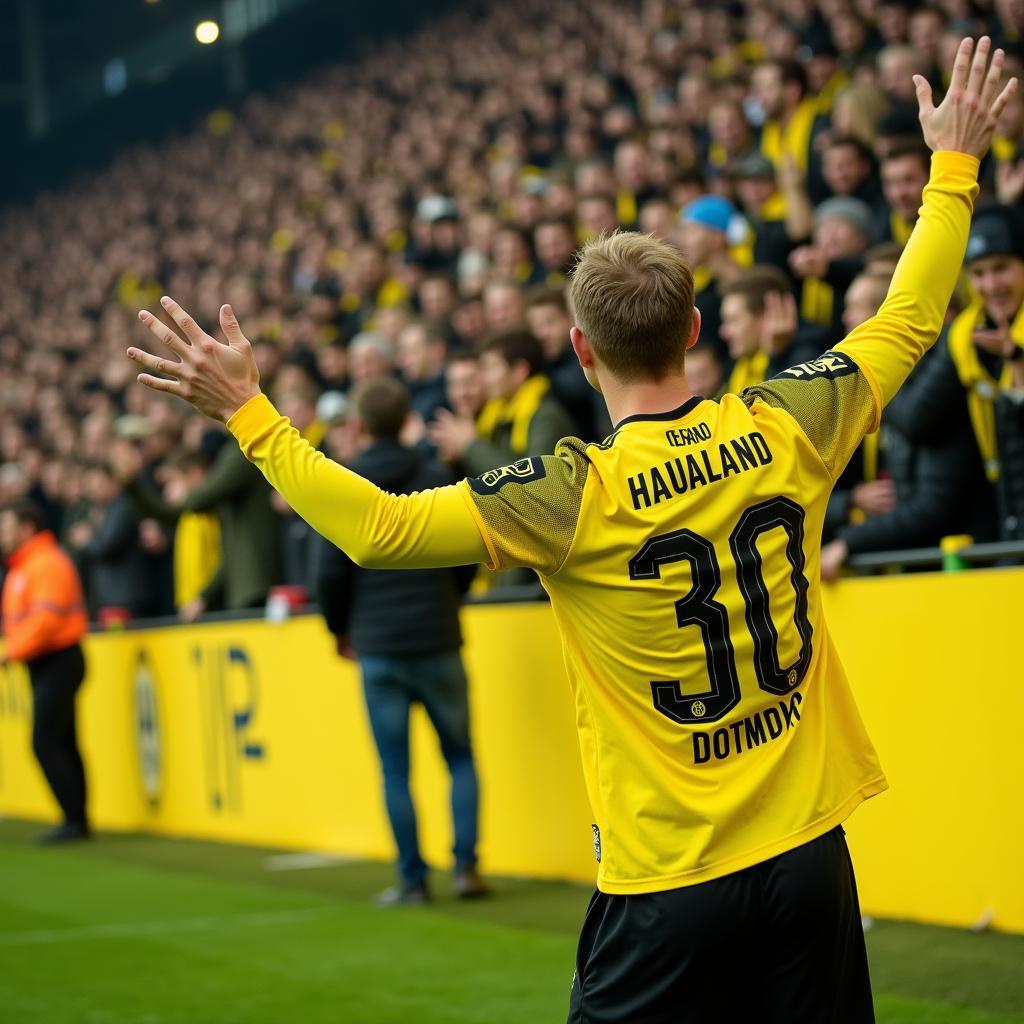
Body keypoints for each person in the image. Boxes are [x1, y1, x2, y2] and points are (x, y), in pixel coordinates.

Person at [127, 37, 1013, 1022]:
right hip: (809, 856)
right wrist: (954, 166)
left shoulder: (571, 491)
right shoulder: (784, 423)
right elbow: (909, 315)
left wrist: (251, 413)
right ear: (692, 327)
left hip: (668, 883)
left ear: (582, 350)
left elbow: (378, 529)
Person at [316, 377, 487, 905]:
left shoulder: (346, 483)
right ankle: (466, 869)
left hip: (380, 646)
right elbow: (468, 552)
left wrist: (340, 630)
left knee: (396, 770)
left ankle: (412, 880)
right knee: (459, 756)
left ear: (359, 426)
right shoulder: (436, 475)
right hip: (438, 636)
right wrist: (449, 599)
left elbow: (327, 573)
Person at [1, 500, 89, 843]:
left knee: (45, 742)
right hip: (46, 660)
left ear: (27, 528)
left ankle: (73, 819)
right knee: (64, 741)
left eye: (7, 527)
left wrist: (12, 653)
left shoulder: (45, 563)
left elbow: (46, 621)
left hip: (59, 658)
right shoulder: (24, 566)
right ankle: (77, 820)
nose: (2, 535)